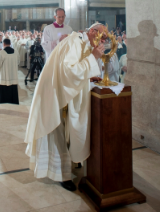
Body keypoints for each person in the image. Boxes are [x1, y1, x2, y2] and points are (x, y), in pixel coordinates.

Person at [24, 23, 106, 191]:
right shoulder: (75, 42)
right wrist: (94, 57)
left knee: (65, 130)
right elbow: (69, 72)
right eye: (102, 37)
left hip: (59, 89)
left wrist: (88, 77)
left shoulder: (81, 42)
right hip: (52, 93)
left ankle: (69, 164)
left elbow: (73, 69)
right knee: (55, 131)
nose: (102, 41)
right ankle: (61, 174)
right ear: (92, 32)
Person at [0, 38, 20, 104]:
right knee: (13, 90)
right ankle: (14, 102)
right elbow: (18, 62)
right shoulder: (16, 51)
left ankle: (4, 102)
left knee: (5, 91)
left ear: (3, 44)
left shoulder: (2, 53)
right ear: (10, 44)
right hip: (13, 76)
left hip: (5, 77)